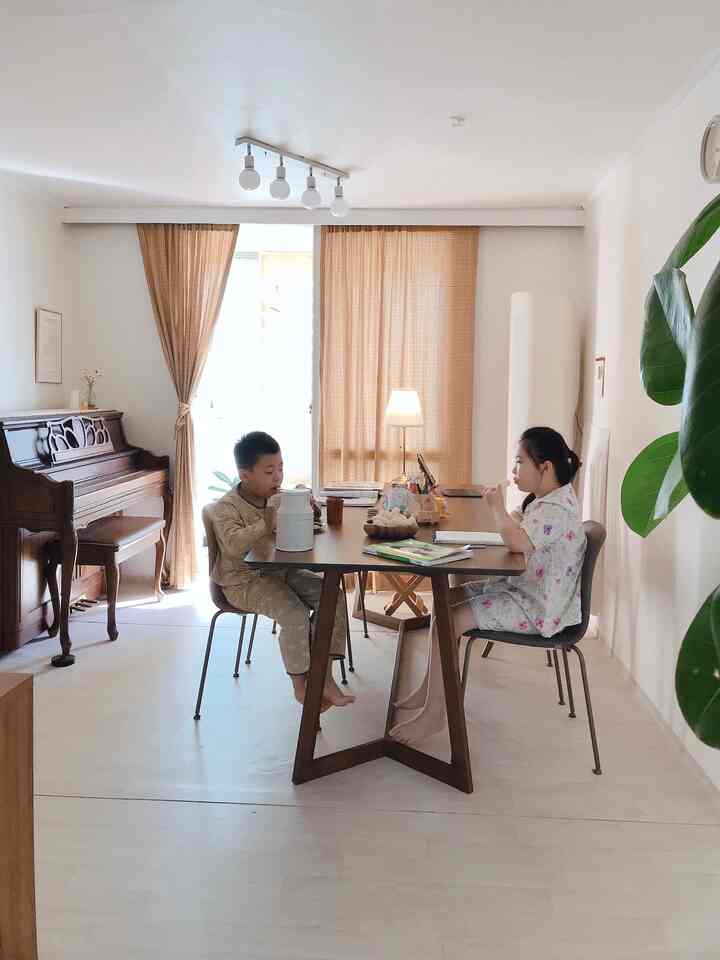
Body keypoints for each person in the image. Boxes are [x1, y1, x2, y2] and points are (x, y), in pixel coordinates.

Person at [389, 426, 586, 743]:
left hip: (536, 607)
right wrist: (510, 515)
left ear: (545, 467)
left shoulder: (556, 509)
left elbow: (516, 542)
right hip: (526, 591)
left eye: (520, 461)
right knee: (444, 603)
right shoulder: (549, 499)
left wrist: (496, 507)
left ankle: (436, 713)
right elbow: (523, 531)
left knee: (449, 616)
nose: (514, 469)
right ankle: (431, 690)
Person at [208, 431, 355, 711]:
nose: (278, 477)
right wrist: (268, 520)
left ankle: (324, 676)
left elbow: (298, 531)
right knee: (293, 612)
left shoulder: (275, 497)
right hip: (241, 582)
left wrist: (308, 508)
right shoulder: (225, 508)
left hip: (279, 572)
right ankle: (301, 686)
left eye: (280, 468)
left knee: (332, 595)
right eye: (269, 471)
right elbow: (234, 546)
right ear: (245, 474)